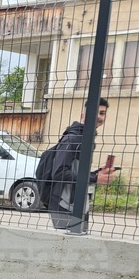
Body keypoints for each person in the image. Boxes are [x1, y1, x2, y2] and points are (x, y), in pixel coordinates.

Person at [47, 97, 119, 231]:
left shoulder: (86, 138)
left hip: (78, 203)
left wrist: (97, 173)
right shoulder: (72, 138)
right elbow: (59, 173)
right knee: (67, 243)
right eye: (94, 112)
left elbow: (76, 171)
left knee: (81, 240)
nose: (98, 116)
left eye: (102, 113)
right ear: (83, 116)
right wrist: (94, 178)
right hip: (64, 205)